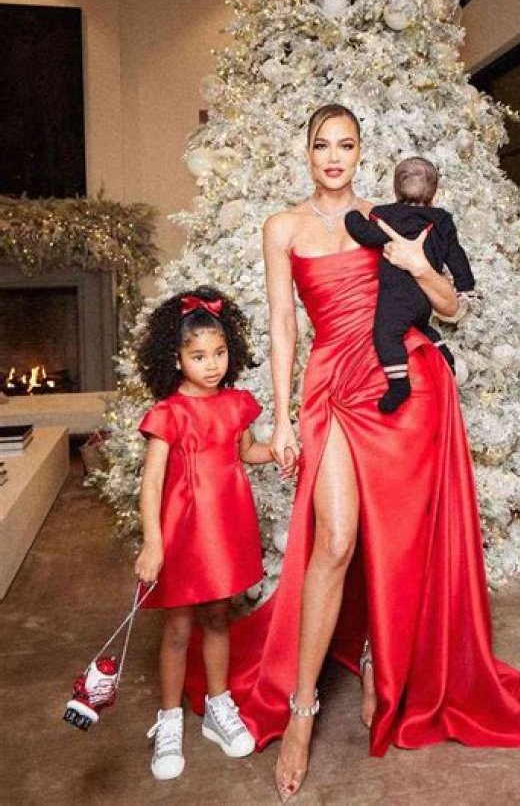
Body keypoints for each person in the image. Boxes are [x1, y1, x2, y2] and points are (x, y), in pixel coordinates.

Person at [184, 105, 520, 803]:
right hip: (331, 384)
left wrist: (417, 262)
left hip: (403, 383)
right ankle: (301, 710)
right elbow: (285, 324)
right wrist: (284, 419)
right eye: (322, 144)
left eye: (345, 145)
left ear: (360, 153)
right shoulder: (283, 226)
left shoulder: (388, 219)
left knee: (400, 540)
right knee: (337, 539)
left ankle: (384, 657)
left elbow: (451, 308)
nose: (333, 156)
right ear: (306, 151)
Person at [134, 286, 292, 781]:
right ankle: (169, 718)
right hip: (182, 532)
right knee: (179, 628)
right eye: (199, 356)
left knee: (219, 617)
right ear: (176, 359)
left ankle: (218, 708)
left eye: (219, 353)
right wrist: (153, 541)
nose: (211, 365)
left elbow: (248, 453)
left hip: (224, 529)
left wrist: (284, 449)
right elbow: (152, 483)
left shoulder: (237, 404)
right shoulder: (169, 412)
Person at [345, 155, 475, 412]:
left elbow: (366, 234)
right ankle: (444, 355)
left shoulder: (386, 215)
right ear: (434, 194)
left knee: (386, 334)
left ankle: (398, 383)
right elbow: (456, 255)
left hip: (398, 297)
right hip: (424, 299)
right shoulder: (442, 221)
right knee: (421, 327)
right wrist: (465, 285)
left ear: (395, 189)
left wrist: (352, 217)